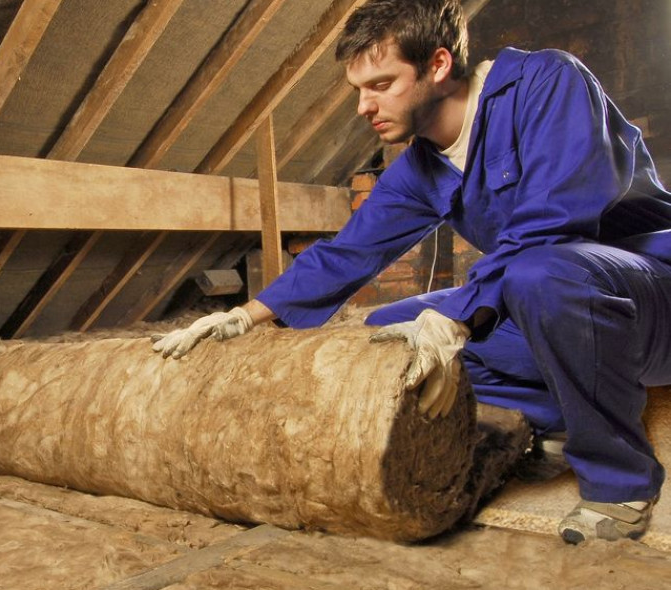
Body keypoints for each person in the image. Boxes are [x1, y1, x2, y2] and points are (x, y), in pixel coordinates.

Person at [150, 0, 671, 544]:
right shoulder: (421, 166)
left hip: (648, 297)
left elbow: (553, 221)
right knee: (391, 333)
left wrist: (463, 317)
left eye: (379, 84)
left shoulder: (546, 82)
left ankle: (620, 485)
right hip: (551, 299)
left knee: (539, 274)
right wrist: (243, 315)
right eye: (357, 90)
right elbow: (346, 253)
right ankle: (553, 418)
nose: (362, 106)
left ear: (439, 64)